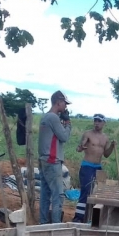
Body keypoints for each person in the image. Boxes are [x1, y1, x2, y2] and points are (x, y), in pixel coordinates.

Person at [73, 114, 116, 222]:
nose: (96, 123)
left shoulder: (105, 138)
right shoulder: (88, 134)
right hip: (87, 166)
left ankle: (91, 217)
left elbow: (106, 154)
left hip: (98, 167)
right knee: (86, 191)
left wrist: (111, 146)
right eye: (95, 121)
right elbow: (79, 147)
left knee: (97, 191)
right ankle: (79, 217)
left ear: (103, 123)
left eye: (99, 121)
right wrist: (81, 147)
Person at [37, 90, 72, 224]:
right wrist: (68, 123)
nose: (66, 107)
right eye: (65, 103)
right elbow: (64, 137)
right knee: (58, 195)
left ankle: (43, 223)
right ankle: (56, 226)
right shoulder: (53, 118)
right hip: (52, 160)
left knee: (45, 194)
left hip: (44, 159)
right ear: (59, 102)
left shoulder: (46, 117)